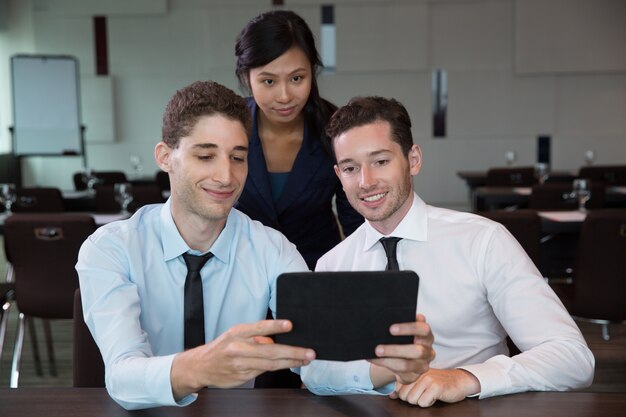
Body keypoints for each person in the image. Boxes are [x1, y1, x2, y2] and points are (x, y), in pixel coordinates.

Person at [75, 81, 434, 410]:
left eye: (238, 157)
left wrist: (386, 369)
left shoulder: (271, 248)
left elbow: (315, 362)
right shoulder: (110, 249)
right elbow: (122, 375)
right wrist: (201, 367)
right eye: (205, 156)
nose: (226, 176)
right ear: (165, 156)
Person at [301, 96, 595, 406]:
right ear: (338, 176)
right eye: (350, 168)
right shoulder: (333, 263)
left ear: (413, 160)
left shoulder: (483, 241)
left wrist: (465, 377)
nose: (366, 182)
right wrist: (382, 370)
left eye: (381, 161)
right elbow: (315, 374)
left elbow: (573, 359)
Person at [234, 10, 363, 271]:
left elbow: (356, 221)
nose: (284, 96)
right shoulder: (228, 126)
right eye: (268, 81)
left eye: (296, 78)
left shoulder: (336, 130)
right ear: (247, 78)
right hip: (240, 271)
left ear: (312, 73)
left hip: (315, 272)